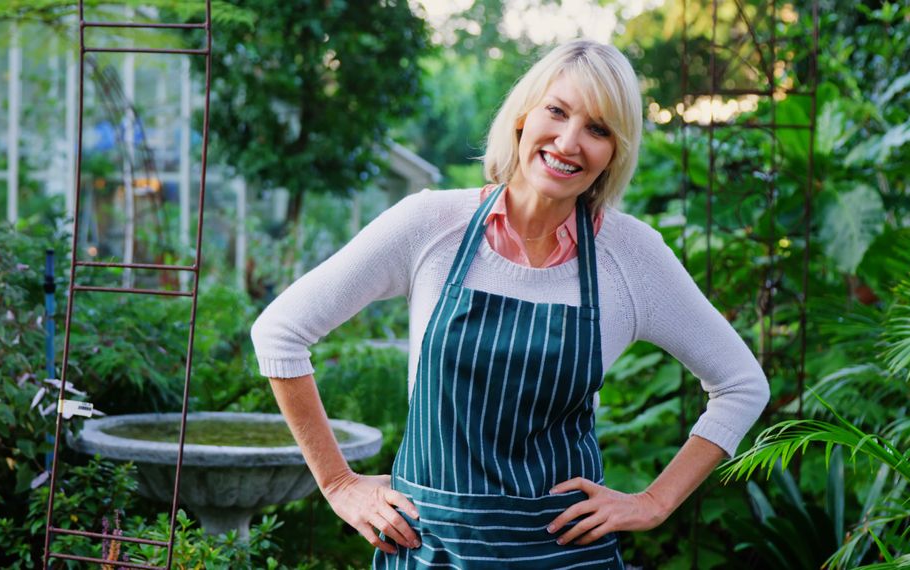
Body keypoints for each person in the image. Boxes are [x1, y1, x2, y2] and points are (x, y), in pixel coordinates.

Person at [251, 39, 769, 569]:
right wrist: (339, 483)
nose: (569, 142)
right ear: (523, 116)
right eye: (557, 111)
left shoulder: (630, 255)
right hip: (431, 550)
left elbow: (741, 384)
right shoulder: (430, 226)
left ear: (616, 150)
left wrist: (655, 502)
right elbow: (281, 333)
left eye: (598, 129)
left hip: (563, 556)